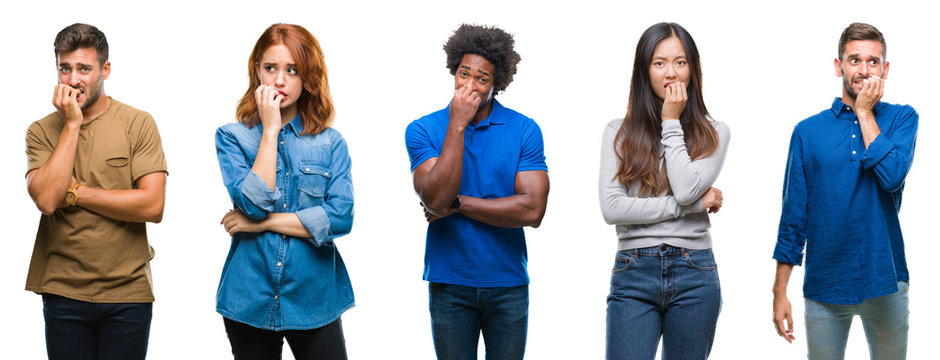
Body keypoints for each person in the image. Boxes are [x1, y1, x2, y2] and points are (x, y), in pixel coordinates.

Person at [772, 22, 917, 360]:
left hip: (886, 279)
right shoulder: (807, 131)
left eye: (873, 62)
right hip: (825, 282)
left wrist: (864, 111)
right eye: (854, 60)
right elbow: (794, 215)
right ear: (838, 66)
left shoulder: (902, 119)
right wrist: (780, 290)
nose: (864, 71)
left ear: (885, 69)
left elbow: (892, 176)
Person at [405, 24, 549, 360]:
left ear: (496, 85)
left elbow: (532, 211)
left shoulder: (524, 129)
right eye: (463, 74)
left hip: (508, 283)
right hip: (450, 283)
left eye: (481, 79)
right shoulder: (424, 129)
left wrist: (458, 204)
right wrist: (457, 125)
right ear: (453, 71)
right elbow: (435, 199)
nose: (469, 86)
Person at [24, 23, 168, 359]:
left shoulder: (138, 123)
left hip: (128, 292)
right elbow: (46, 200)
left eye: (84, 69)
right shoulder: (41, 131)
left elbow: (153, 205)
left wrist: (75, 193)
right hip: (63, 290)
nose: (73, 80)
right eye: (65, 68)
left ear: (105, 70)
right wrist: (72, 124)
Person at [215, 23, 354, 360]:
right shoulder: (233, 137)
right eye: (270, 68)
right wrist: (271, 129)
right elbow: (252, 204)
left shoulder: (331, 143)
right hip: (249, 297)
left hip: (315, 298)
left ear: (307, 77)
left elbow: (340, 218)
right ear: (256, 72)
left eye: (292, 70)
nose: (279, 80)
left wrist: (263, 225)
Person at [599, 22, 730, 360]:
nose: (671, 73)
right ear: (645, 70)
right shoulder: (618, 132)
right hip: (633, 272)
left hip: (695, 273)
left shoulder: (714, 133)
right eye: (659, 63)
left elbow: (686, 189)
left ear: (693, 69)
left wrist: (670, 122)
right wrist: (691, 207)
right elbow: (613, 208)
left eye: (680, 62)